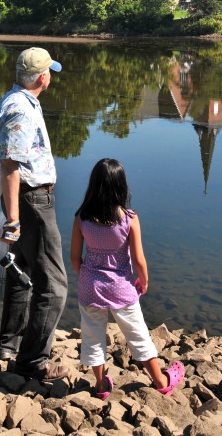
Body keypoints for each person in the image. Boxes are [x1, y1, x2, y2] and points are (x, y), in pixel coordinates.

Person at [70, 158, 184, 399]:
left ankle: (101, 386)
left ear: (93, 185)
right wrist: (144, 279)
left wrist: (87, 277)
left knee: (93, 336)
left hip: (90, 287)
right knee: (137, 334)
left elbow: (74, 257)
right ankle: (161, 380)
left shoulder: (82, 218)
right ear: (121, 187)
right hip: (121, 288)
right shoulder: (129, 219)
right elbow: (139, 259)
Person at [0, 46, 68, 381]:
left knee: (20, 271)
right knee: (53, 285)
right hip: (31, 201)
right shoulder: (21, 110)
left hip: (24, 199)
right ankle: (33, 361)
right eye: (49, 70)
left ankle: (10, 344)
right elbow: (10, 165)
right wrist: (12, 220)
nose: (50, 75)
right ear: (42, 77)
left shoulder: (15, 100)